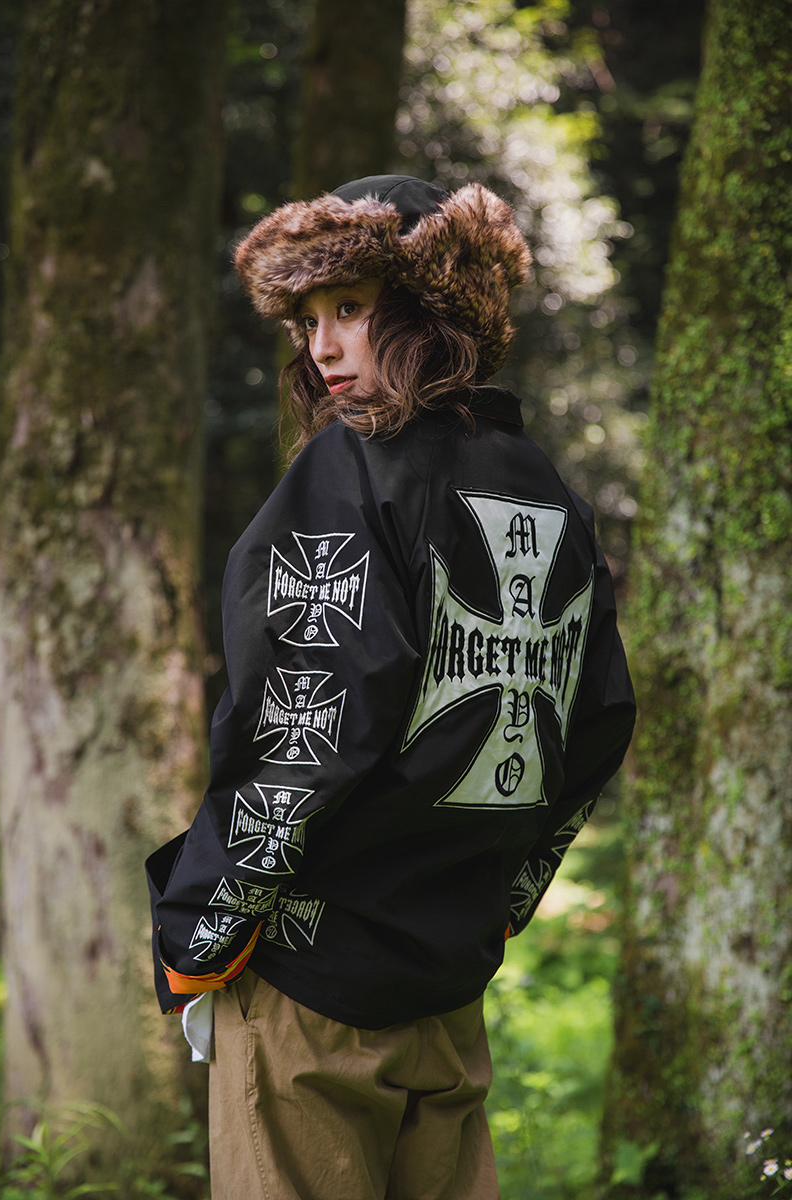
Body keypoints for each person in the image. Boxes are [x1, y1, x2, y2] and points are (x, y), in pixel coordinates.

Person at [147, 175, 636, 1200]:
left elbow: (305, 736)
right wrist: (500, 904)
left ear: (431, 308)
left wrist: (200, 931)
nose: (323, 348)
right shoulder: (544, 488)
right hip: (450, 992)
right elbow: (594, 726)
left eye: (351, 308)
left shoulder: (351, 472)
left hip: (312, 992)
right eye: (307, 318)